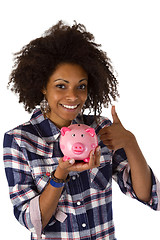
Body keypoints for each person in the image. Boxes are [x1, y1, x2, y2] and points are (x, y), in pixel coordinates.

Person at [3, 20, 160, 240]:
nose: (73, 96)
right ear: (42, 86)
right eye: (61, 86)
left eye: (81, 86)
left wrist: (130, 142)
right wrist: (60, 175)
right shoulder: (19, 141)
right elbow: (32, 220)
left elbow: (148, 195)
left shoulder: (101, 130)